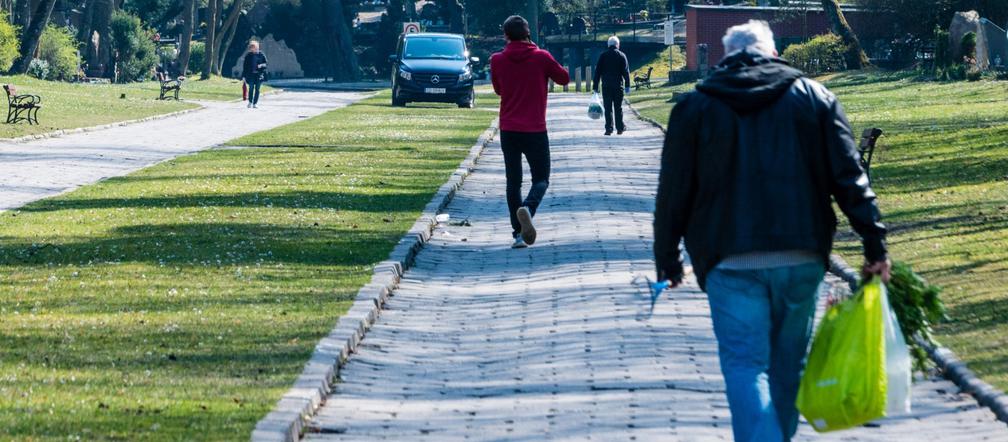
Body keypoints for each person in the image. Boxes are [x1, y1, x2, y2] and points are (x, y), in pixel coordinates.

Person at [652, 20, 891, 441]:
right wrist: (874, 243)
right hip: (801, 255)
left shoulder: (694, 109)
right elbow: (849, 177)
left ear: (726, 58)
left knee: (745, 364)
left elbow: (673, 192)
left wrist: (668, 259)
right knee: (788, 366)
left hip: (728, 259)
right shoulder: (816, 98)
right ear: (775, 54)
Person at [490, 15, 570, 249]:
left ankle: (518, 233)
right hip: (535, 128)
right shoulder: (541, 57)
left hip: (509, 128)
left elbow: (498, 90)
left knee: (513, 182)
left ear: (506, 35)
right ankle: (529, 208)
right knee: (542, 178)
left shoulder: (497, 60)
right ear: (528, 33)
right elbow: (564, 78)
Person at [592, 36, 631, 135]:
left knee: (608, 107)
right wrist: (627, 85)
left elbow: (597, 72)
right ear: (617, 44)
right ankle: (620, 128)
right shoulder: (622, 55)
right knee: (618, 107)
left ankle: (609, 129)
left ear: (608, 45)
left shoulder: (603, 56)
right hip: (618, 85)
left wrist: (595, 87)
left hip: (606, 85)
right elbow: (626, 72)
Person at [241, 41, 268, 109]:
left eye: (254, 48)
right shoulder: (248, 56)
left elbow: (265, 64)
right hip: (250, 75)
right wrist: (243, 76)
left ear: (257, 47)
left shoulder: (261, 55)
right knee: (251, 88)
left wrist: (261, 65)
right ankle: (250, 102)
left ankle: (255, 103)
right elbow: (245, 67)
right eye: (252, 48)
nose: (253, 49)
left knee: (257, 89)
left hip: (259, 75)